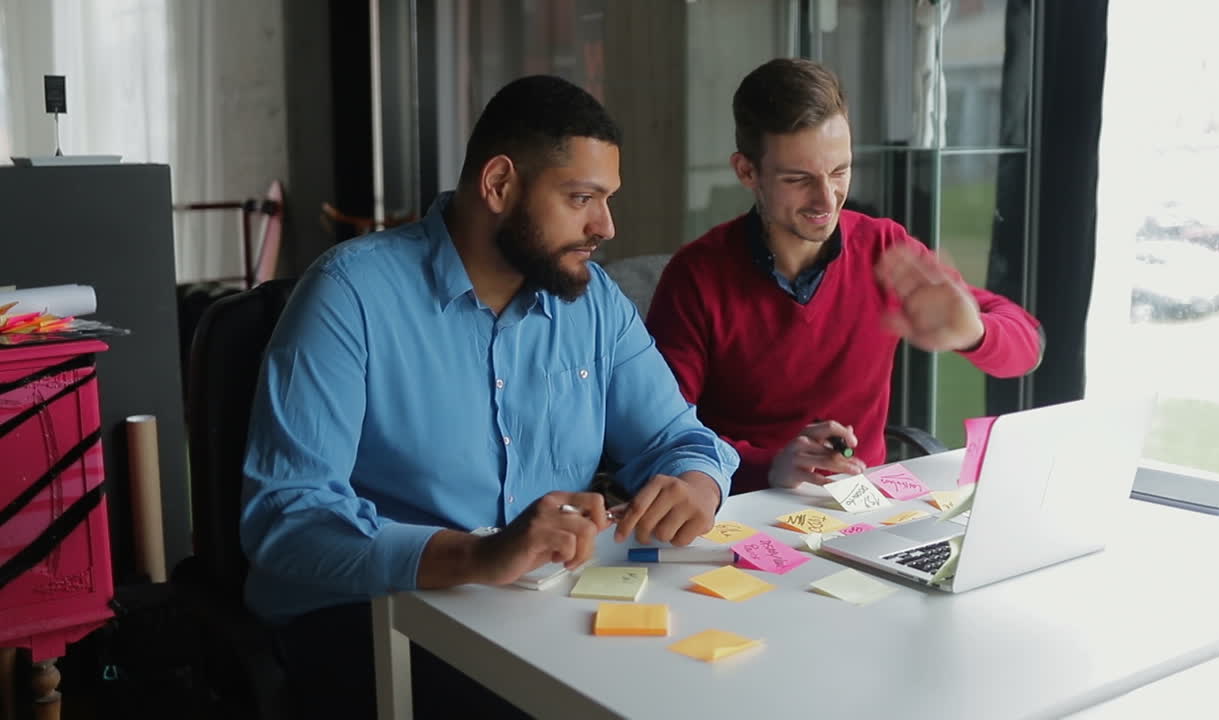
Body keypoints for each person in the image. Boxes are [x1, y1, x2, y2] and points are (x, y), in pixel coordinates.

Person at [240, 75, 738, 718]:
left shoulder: (593, 303)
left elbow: (680, 438)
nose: (606, 226)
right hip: (374, 617)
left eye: (607, 199)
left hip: (542, 611)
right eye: (581, 198)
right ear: (499, 184)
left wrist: (696, 484)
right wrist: (479, 555)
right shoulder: (349, 296)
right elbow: (288, 521)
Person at [646, 57, 1042, 495]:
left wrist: (975, 333)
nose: (827, 199)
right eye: (798, 179)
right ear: (747, 171)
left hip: (862, 502)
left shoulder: (884, 249)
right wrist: (769, 467)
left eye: (839, 171)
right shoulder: (696, 278)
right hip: (740, 504)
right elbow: (657, 432)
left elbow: (1029, 348)